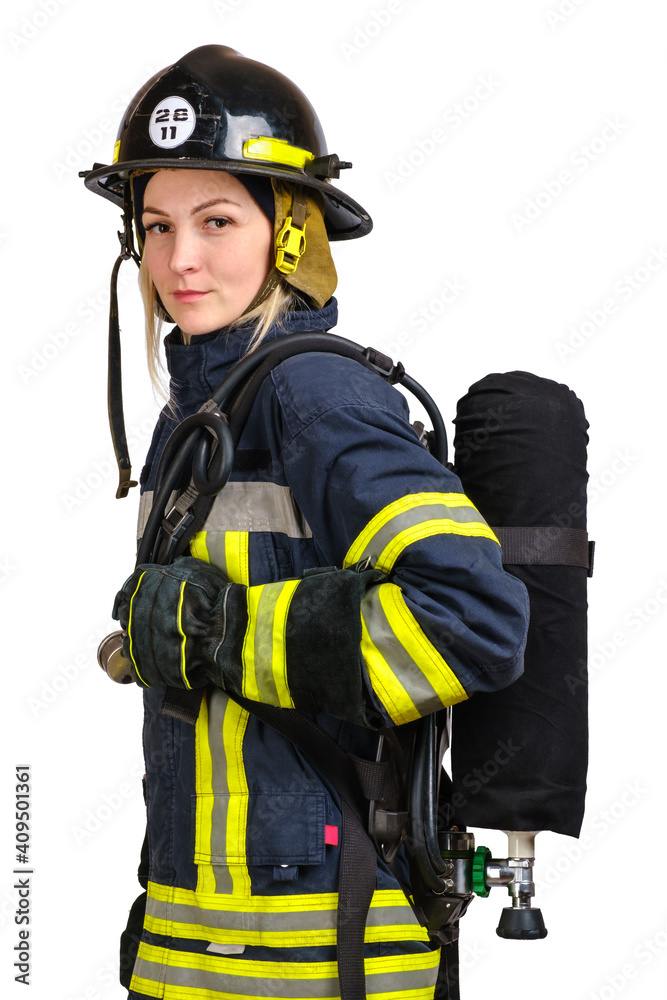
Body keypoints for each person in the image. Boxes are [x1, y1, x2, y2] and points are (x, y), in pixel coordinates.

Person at [84, 44, 529, 1000]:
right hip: (199, 953)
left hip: (331, 962)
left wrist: (223, 634)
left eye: (215, 221)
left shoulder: (315, 397)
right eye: (156, 226)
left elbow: (474, 619)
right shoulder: (196, 419)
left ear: (291, 235)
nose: (179, 259)